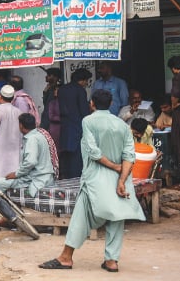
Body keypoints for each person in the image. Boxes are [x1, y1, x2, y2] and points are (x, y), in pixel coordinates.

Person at [39, 89, 145, 273]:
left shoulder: (88, 121)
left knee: (80, 217)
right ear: (111, 104)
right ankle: (111, 261)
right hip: (120, 180)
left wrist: (113, 166)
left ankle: (66, 257)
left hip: (95, 179)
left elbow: (93, 152)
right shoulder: (121, 124)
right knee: (116, 218)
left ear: (92, 104)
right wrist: (121, 178)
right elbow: (129, 154)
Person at [0, 113, 55, 197]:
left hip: (37, 178)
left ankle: (2, 207)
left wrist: (16, 174)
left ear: (21, 126)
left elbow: (31, 161)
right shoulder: (39, 135)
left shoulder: (32, 139)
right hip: (45, 176)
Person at [57, 68, 92, 179]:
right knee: (76, 159)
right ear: (81, 80)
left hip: (64, 126)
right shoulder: (80, 90)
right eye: (86, 81)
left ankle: (65, 179)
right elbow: (84, 112)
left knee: (66, 157)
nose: (87, 83)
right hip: (77, 127)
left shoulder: (62, 89)